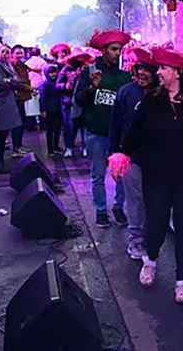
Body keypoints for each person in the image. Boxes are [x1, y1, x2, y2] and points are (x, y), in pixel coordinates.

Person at [121, 47, 183, 303]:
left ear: (177, 73)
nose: (159, 72)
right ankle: (150, 260)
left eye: (163, 68)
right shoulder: (152, 101)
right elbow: (134, 131)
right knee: (156, 223)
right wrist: (122, 153)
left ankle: (182, 280)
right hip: (156, 175)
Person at [74, 30, 132, 228]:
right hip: (95, 133)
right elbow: (79, 100)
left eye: (120, 49)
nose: (117, 53)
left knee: (122, 175)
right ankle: (100, 210)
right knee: (98, 175)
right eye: (114, 49)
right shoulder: (89, 72)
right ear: (103, 50)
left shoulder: (125, 76)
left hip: (118, 136)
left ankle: (118, 207)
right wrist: (92, 87)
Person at [109, 49, 159, 260]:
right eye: (139, 69)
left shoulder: (163, 94)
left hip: (157, 159)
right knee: (135, 201)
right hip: (131, 158)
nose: (141, 73)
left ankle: (152, 239)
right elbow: (115, 124)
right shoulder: (126, 92)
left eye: (146, 69)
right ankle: (136, 241)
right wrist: (113, 154)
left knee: (154, 200)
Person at [0, 46, 30, 172]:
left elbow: (16, 80)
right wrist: (11, 81)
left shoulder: (7, 66)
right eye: (3, 52)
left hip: (7, 103)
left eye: (7, 52)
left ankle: (0, 163)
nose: (5, 54)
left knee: (3, 134)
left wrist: (10, 81)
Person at [10, 45, 33, 156]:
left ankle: (19, 145)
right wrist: (28, 87)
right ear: (12, 54)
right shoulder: (12, 65)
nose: (19, 55)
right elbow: (16, 82)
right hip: (17, 97)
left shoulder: (23, 65)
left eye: (21, 53)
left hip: (23, 96)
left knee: (21, 122)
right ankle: (16, 148)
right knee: (17, 123)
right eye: (17, 53)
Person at [39, 65, 63, 157]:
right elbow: (42, 98)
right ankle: (50, 149)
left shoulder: (57, 83)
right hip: (49, 111)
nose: (54, 74)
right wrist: (43, 110)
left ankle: (56, 146)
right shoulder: (44, 84)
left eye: (55, 72)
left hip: (58, 109)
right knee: (50, 130)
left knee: (57, 130)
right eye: (51, 72)